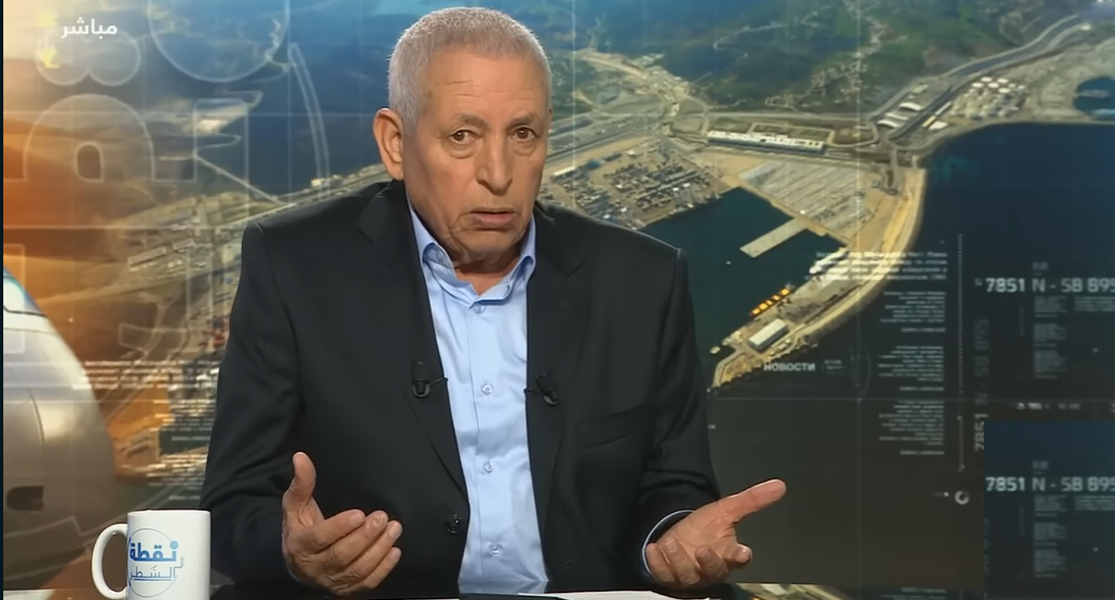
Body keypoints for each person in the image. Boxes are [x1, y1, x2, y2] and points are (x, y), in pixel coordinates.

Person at [199, 7, 786, 598]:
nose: (499, 174)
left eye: (522, 134)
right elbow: (233, 503)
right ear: (396, 144)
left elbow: (674, 484)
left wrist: (672, 540)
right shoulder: (295, 267)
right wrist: (293, 552)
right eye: (463, 136)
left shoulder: (642, 280)